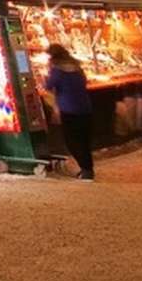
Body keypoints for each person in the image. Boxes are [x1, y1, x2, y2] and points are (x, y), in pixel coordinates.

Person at [44, 43, 95, 180]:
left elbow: (48, 86)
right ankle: (87, 168)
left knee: (72, 141)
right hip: (85, 107)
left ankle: (86, 170)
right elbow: (84, 82)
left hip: (69, 109)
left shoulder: (57, 71)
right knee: (84, 140)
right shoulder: (77, 68)